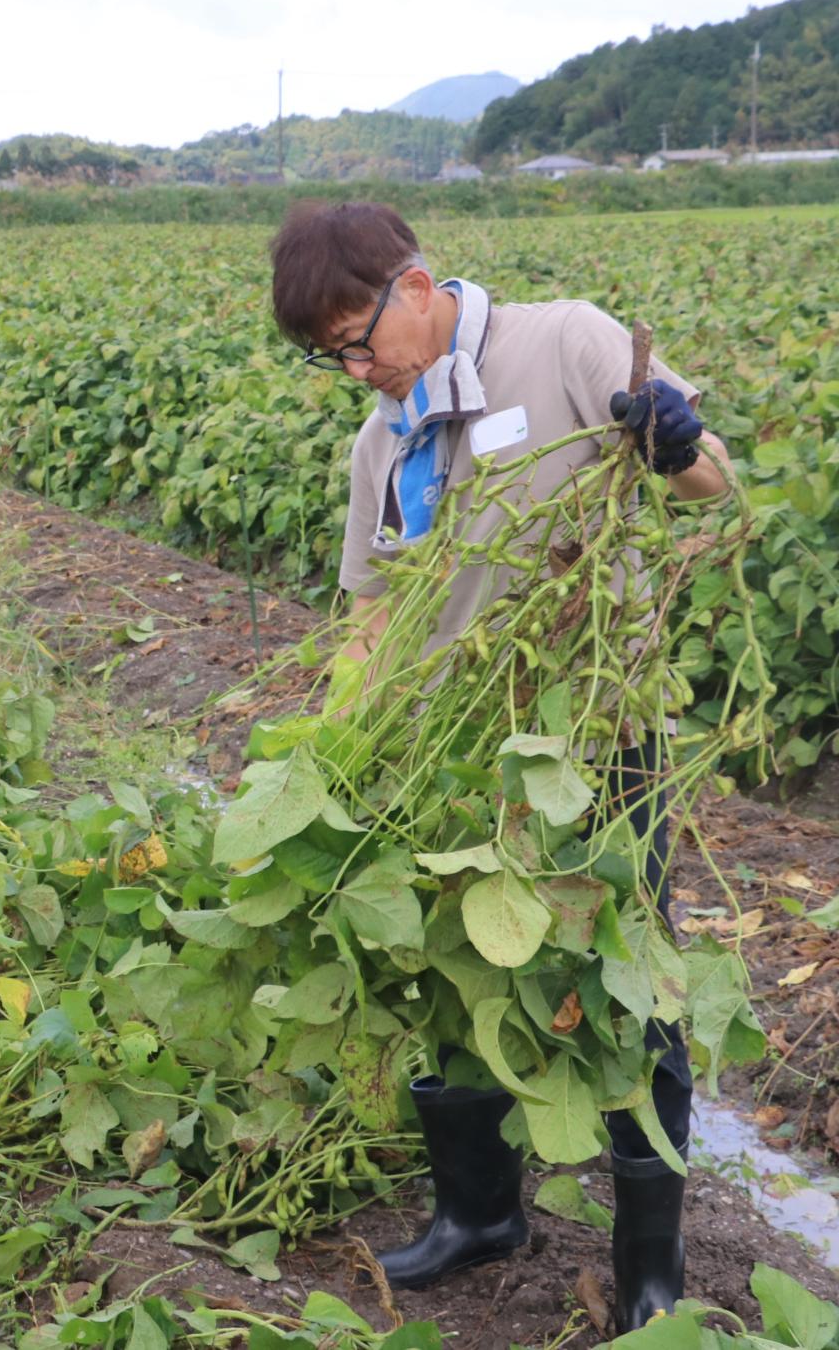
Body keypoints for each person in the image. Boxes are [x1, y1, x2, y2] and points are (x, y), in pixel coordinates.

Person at [268, 201, 731, 1332]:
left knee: (632, 987)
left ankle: (648, 1268)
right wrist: (330, 750)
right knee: (456, 972)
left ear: (415, 287)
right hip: (456, 754)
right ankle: (477, 1216)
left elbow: (711, 481)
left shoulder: (564, 339)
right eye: (330, 356)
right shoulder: (378, 444)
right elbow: (370, 620)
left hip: (597, 743)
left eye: (357, 339)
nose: (354, 368)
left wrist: (672, 440)